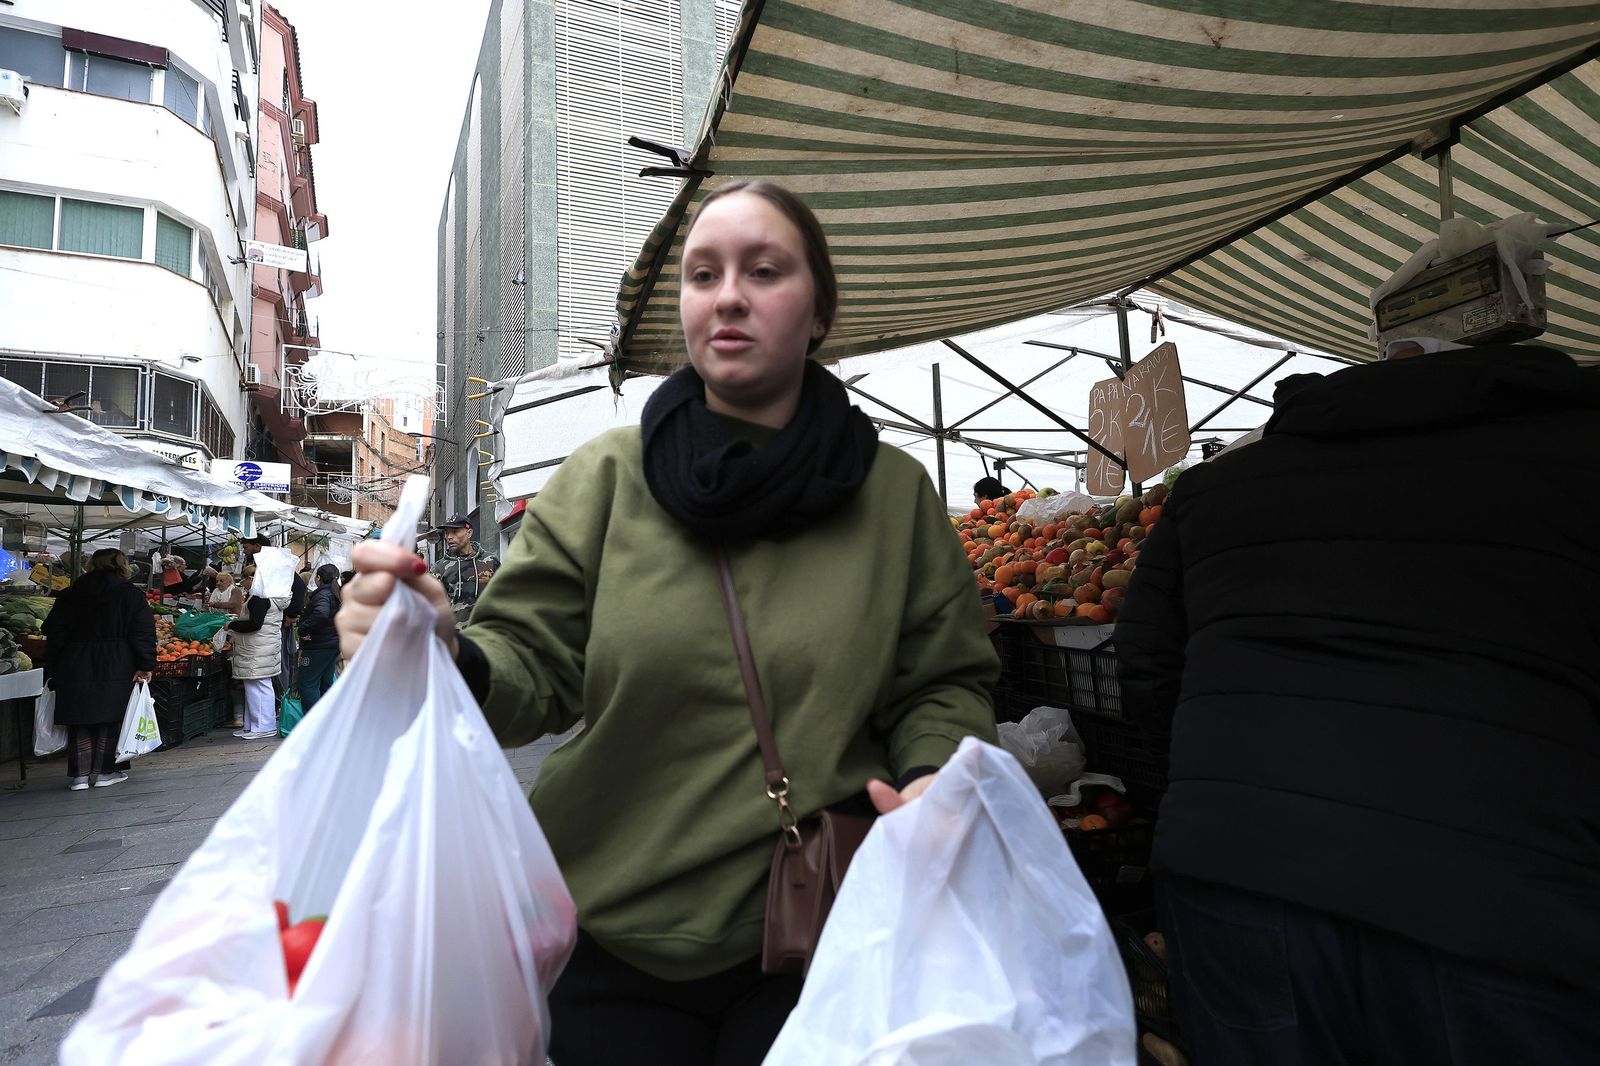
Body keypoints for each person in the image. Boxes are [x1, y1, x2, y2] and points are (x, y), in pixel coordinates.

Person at [337, 180, 999, 1065]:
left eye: (764, 271)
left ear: (818, 314)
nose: (728, 294)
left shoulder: (894, 495)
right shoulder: (608, 477)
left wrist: (934, 779)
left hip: (823, 925)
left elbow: (942, 680)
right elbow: (529, 665)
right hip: (613, 934)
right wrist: (440, 651)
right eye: (703, 274)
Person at [1115, 340, 1600, 1064]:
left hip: (1235, 872)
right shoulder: (1577, 454)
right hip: (1506, 902)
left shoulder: (1219, 486)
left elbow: (1146, 665)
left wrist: (1196, 800)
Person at [40, 548, 156, 790]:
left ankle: (80, 776)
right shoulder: (130, 595)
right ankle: (105, 772)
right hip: (116, 660)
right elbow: (142, 632)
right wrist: (145, 664)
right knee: (109, 716)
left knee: (79, 717)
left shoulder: (70, 594)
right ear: (122, 565)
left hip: (75, 660)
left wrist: (56, 662)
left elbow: (52, 630)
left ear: (91, 564)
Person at [227, 547, 293, 741]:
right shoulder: (273, 596)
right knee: (256, 685)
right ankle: (255, 725)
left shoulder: (260, 598)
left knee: (258, 685)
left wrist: (231, 624)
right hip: (262, 647)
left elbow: (254, 624)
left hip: (257, 648)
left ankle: (264, 725)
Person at [239, 532, 306, 701]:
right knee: (274, 664)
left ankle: (282, 699)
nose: (245, 552)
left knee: (278, 663)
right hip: (272, 622)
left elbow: (299, 589)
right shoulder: (266, 565)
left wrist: (291, 615)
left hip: (276, 623)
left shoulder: (274, 565)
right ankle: (280, 699)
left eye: (246, 548)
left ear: (257, 546)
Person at [428, 513, 499, 627]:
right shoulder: (439, 568)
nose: (449, 537)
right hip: (457, 638)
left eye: (455, 531)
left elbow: (504, 595)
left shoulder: (491, 561)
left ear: (469, 533)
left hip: (487, 635)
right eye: (447, 533)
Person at [296, 563, 342, 710]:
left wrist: (303, 629)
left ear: (319, 578)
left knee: (307, 684)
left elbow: (321, 614)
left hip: (318, 645)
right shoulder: (336, 594)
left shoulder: (323, 595)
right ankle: (326, 723)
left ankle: (313, 726)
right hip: (331, 644)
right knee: (325, 684)